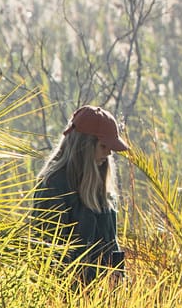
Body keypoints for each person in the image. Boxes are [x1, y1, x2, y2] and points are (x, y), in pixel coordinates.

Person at [32, 104, 129, 284]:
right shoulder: (54, 186)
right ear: (84, 145)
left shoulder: (102, 187)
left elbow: (111, 242)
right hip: (66, 297)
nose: (109, 153)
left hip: (104, 299)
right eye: (103, 146)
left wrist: (118, 278)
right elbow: (47, 252)